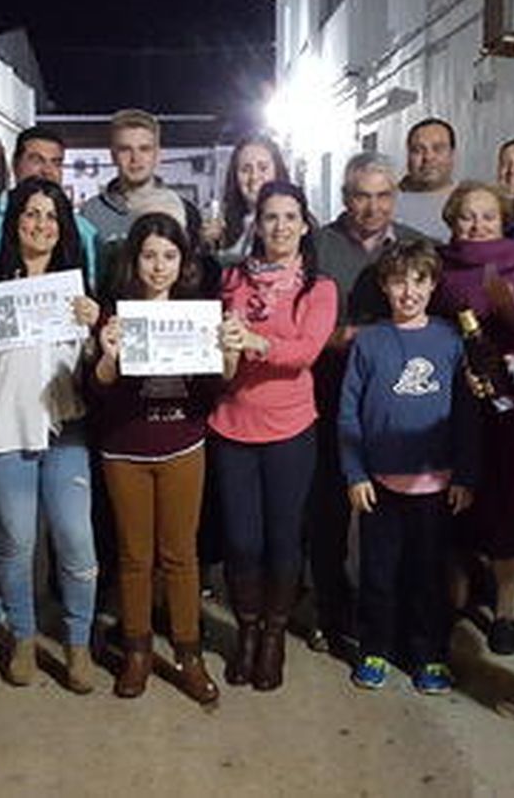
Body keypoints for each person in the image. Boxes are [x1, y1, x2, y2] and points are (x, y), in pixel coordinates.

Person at [0, 177, 102, 694]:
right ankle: (24, 638)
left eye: (51, 216)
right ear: (14, 222)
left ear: (64, 228)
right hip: (6, 429)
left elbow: (90, 368)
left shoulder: (75, 287)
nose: (40, 225)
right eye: (31, 214)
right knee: (15, 544)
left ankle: (79, 645)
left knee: (76, 542)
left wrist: (94, 327)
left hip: (65, 429)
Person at [89, 212, 237, 704]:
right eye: (149, 255)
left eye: (169, 256)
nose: (158, 266)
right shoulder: (114, 313)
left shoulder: (198, 313)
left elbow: (214, 389)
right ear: (134, 259)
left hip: (182, 445)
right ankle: (136, 651)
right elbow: (97, 392)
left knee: (180, 555)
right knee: (134, 557)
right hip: (124, 448)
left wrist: (228, 356)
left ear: (183, 261)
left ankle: (188, 654)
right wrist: (108, 357)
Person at [209, 181, 337, 691]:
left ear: (305, 224)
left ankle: (274, 637)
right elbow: (219, 349)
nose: (280, 227)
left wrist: (257, 340)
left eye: (290, 217)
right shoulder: (232, 279)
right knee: (242, 540)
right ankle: (245, 630)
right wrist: (224, 345)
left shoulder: (318, 288)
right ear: (256, 224)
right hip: (231, 426)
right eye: (270, 217)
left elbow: (305, 351)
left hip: (290, 430)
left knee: (284, 538)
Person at [340, 240, 477, 695]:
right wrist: (356, 473)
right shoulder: (370, 341)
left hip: (436, 486)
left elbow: (466, 416)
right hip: (380, 486)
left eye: (419, 281)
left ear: (433, 284)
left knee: (428, 576)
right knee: (378, 575)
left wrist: (465, 474)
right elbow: (348, 414)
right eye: (398, 281)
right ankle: (376, 646)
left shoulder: (450, 339)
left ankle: (429, 654)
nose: (408, 291)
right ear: (383, 285)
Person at [307, 152, 431, 653]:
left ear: (394, 198)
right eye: (362, 196)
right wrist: (345, 337)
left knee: (391, 519)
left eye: (382, 196)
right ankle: (329, 612)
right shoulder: (317, 246)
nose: (372, 207)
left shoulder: (415, 248)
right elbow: (299, 321)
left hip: (398, 409)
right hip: (329, 394)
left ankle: (391, 616)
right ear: (344, 198)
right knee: (328, 514)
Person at [431, 181, 514, 656]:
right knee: (453, 494)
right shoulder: (439, 267)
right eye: (466, 217)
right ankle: (455, 591)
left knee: (506, 498)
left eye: (488, 217)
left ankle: (506, 607)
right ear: (452, 222)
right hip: (452, 402)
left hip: (510, 402)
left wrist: (511, 310)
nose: (477, 226)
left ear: (504, 220)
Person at [0, 126, 100, 286]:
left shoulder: (83, 229)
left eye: (56, 163)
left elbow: (91, 284)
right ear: (15, 164)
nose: (48, 171)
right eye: (37, 160)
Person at [81, 109, 201, 267]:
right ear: (112, 155)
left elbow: (191, 272)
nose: (135, 159)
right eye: (125, 149)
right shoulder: (91, 212)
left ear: (157, 154)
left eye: (144, 149)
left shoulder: (186, 211)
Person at [206, 133, 289, 265]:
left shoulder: (297, 222)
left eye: (263, 168)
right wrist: (205, 246)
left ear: (277, 171)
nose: (254, 177)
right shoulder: (225, 226)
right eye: (245, 169)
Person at [394, 117, 458, 240]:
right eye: (418, 150)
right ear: (408, 156)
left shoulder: (471, 201)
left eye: (438, 149)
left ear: (452, 153)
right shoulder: (382, 203)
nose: (428, 157)